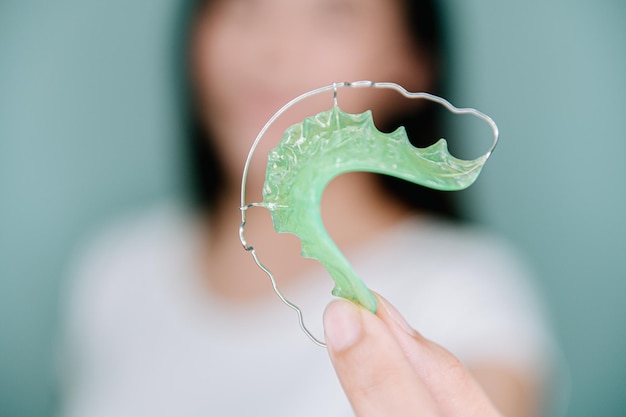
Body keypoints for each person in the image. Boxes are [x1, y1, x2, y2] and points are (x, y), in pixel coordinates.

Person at [60, 0, 555, 416]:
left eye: (333, 15)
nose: (272, 52)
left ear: (411, 60)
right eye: (244, 7)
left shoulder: (469, 290)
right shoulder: (115, 269)